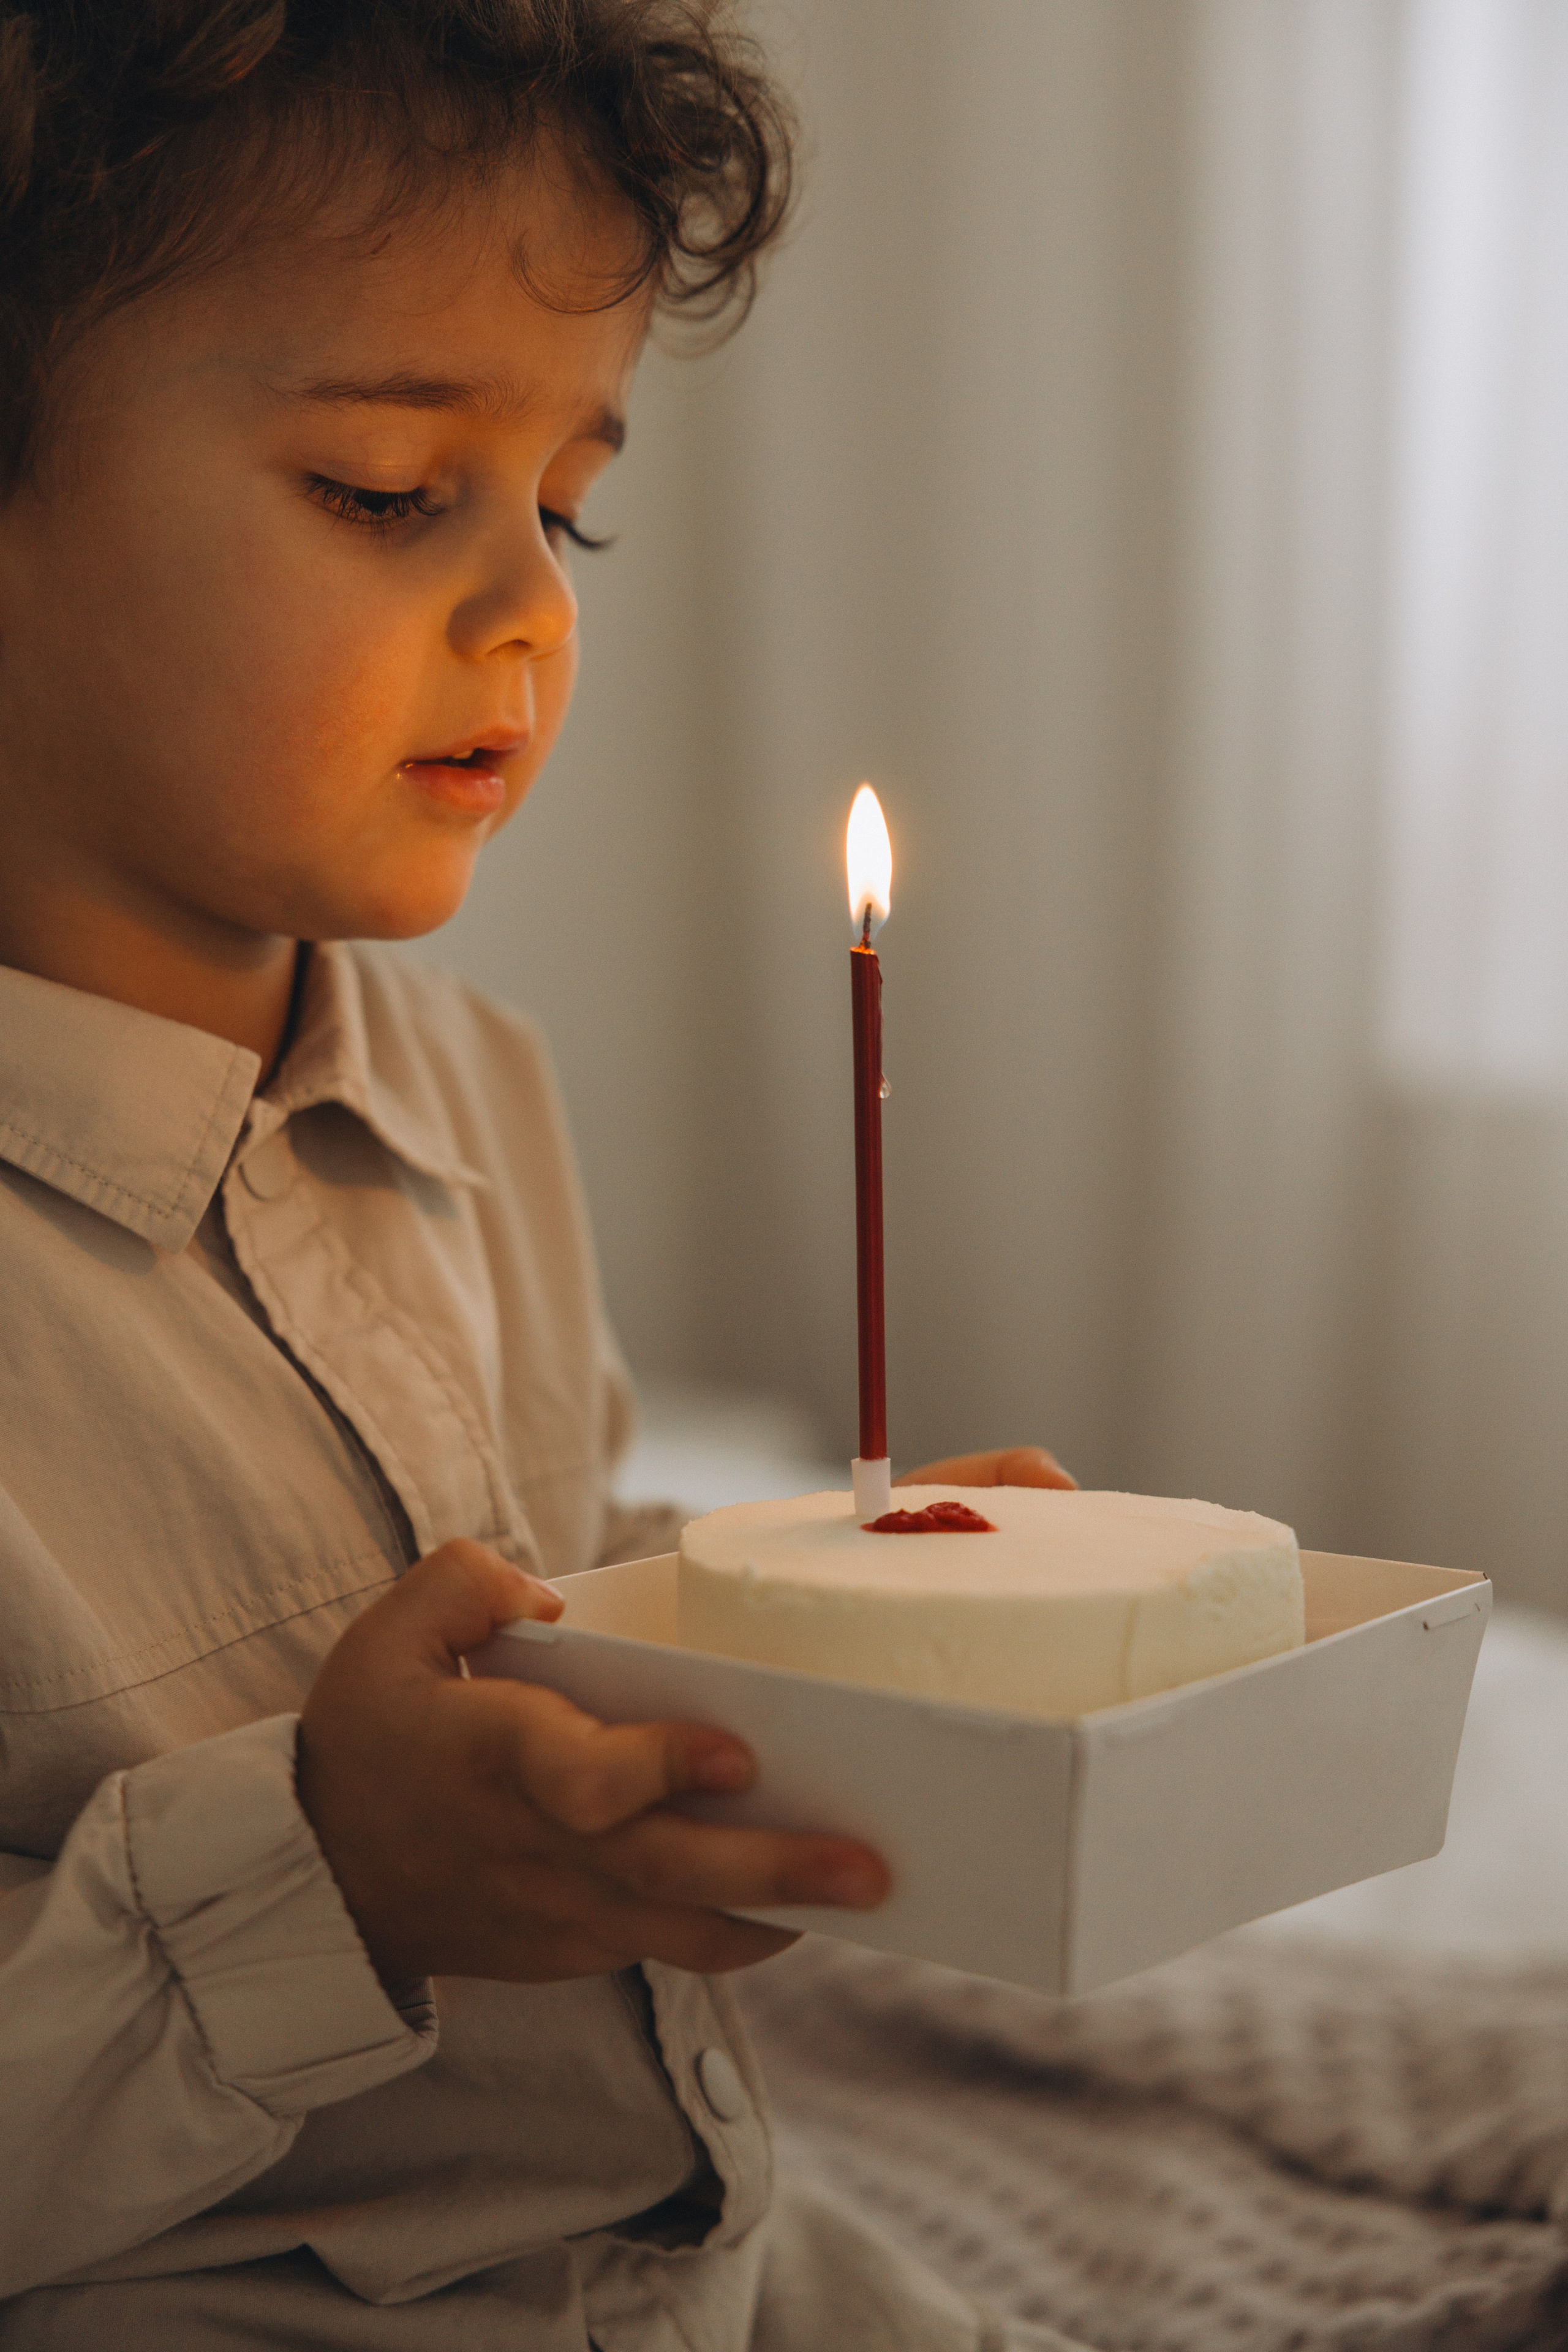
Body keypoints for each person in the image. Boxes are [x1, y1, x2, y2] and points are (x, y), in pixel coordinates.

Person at [0, 5, 1081, 2345]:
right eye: (394, 490)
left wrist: (801, 1629)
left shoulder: (474, 1087)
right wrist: (335, 1876)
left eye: (566, 500)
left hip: (690, 2268)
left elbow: (545, 1621)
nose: (534, 607)